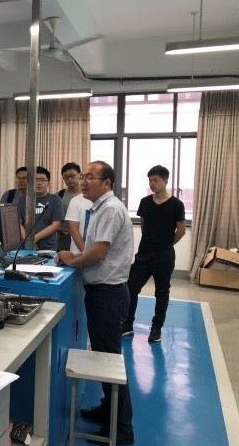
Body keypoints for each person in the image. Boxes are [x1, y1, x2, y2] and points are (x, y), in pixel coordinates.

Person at [55, 161, 134, 444]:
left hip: (108, 294)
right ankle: (108, 409)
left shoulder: (110, 209)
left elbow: (99, 253)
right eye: (83, 177)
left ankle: (123, 428)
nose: (83, 181)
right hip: (102, 292)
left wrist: (71, 261)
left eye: (90, 177)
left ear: (107, 183)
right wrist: (76, 257)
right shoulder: (98, 208)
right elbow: (95, 250)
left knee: (109, 360)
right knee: (103, 357)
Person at [123, 165, 186, 343]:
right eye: (150, 180)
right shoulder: (145, 202)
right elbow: (144, 226)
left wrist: (166, 244)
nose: (152, 183)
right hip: (144, 254)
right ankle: (127, 324)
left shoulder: (176, 205)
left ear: (165, 180)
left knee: (162, 292)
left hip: (164, 256)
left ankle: (156, 327)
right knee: (130, 287)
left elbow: (181, 231)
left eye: (155, 180)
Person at [17, 166, 63, 251]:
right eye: (36, 180)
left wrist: (34, 238)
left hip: (48, 247)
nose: (38, 183)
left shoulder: (55, 199)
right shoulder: (22, 200)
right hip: (25, 246)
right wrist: (28, 240)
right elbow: (18, 223)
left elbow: (56, 224)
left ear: (48, 183)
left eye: (42, 180)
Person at [57, 162, 83, 251]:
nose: (69, 179)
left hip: (84, 240)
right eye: (66, 177)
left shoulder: (89, 196)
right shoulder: (58, 196)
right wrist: (58, 228)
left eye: (72, 176)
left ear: (80, 175)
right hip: (63, 242)